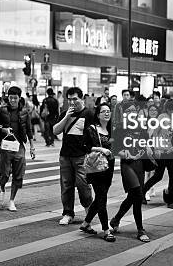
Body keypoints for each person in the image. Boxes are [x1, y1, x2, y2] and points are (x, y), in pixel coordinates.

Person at [109, 99, 150, 242]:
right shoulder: (120, 128)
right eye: (128, 111)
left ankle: (116, 219)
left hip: (140, 164)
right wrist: (126, 154)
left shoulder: (142, 127)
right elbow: (114, 149)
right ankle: (140, 229)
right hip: (127, 165)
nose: (132, 113)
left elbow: (146, 143)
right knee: (138, 195)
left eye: (133, 111)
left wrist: (147, 150)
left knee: (133, 196)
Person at [0, 86, 35, 211]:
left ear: (19, 98)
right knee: (4, 172)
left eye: (15, 98)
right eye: (11, 98)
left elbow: (29, 130)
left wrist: (32, 146)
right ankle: (2, 188)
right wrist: (2, 129)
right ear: (8, 98)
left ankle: (12, 200)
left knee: (18, 174)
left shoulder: (25, 112)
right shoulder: (1, 110)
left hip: (19, 146)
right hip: (5, 145)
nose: (13, 100)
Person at [53, 87, 94, 225]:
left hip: (82, 156)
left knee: (83, 185)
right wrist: (66, 117)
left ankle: (89, 209)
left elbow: (93, 136)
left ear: (81, 98)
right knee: (66, 186)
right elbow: (55, 131)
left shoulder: (88, 114)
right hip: (65, 156)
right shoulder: (65, 114)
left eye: (75, 99)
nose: (72, 102)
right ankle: (68, 213)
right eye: (69, 99)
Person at [79, 102, 115, 242]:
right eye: (103, 111)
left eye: (108, 111)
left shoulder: (112, 130)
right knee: (102, 198)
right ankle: (106, 230)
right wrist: (101, 149)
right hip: (96, 168)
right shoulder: (92, 129)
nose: (107, 113)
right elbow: (85, 147)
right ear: (98, 114)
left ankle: (85, 223)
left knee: (101, 196)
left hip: (108, 167)